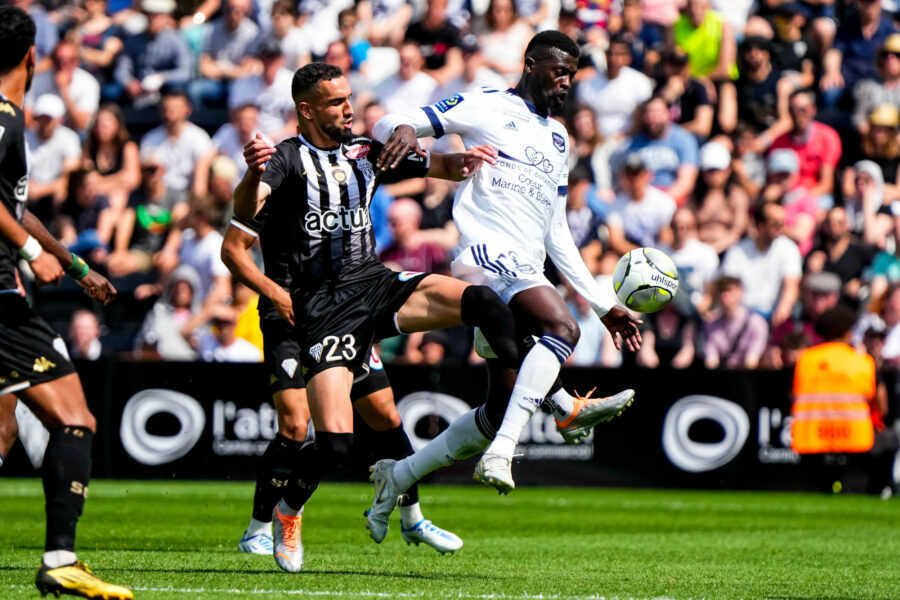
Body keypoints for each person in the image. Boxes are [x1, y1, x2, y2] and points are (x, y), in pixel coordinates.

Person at [232, 62, 525, 572]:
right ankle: (284, 512)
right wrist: (252, 174)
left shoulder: (365, 150)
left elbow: (441, 168)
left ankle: (516, 415)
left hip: (376, 285)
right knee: (336, 443)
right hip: (322, 310)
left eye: (349, 98)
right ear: (307, 110)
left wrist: (469, 160)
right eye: (335, 102)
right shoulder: (285, 160)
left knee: (483, 302)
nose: (349, 108)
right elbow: (242, 217)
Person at [371, 31, 641, 505]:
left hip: (526, 267)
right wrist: (406, 131)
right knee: (562, 328)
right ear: (531, 63)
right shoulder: (487, 105)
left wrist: (603, 304)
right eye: (558, 70)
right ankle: (516, 443)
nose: (565, 82)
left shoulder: (559, 139)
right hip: (486, 257)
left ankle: (399, 474)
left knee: (498, 407)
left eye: (572, 76)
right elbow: (396, 120)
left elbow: (558, 233)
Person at [222, 166, 464, 560]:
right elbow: (234, 244)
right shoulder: (277, 189)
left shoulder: (339, 193)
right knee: (296, 422)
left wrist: (453, 160)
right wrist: (275, 293)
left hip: (339, 316)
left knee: (385, 414)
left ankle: (412, 517)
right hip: (286, 318)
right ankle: (259, 528)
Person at [0, 6, 128, 598]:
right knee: (75, 419)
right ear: (34, 57)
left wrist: (75, 266)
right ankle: (59, 558)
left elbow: (16, 207)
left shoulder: (11, 117)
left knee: (2, 431)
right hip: (2, 296)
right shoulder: (1, 115)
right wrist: (27, 251)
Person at [719, 202, 801, 327]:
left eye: (783, 223)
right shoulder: (737, 251)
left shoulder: (789, 249)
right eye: (775, 223)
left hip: (773, 315)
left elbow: (791, 286)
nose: (781, 227)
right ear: (760, 225)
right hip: (741, 315)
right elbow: (730, 286)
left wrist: (783, 309)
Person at [702, 276, 768, 370]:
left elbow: (751, 361)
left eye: (729, 290)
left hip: (747, 377)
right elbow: (711, 360)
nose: (725, 295)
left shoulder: (756, 323)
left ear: (740, 291)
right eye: (721, 291)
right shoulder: (711, 325)